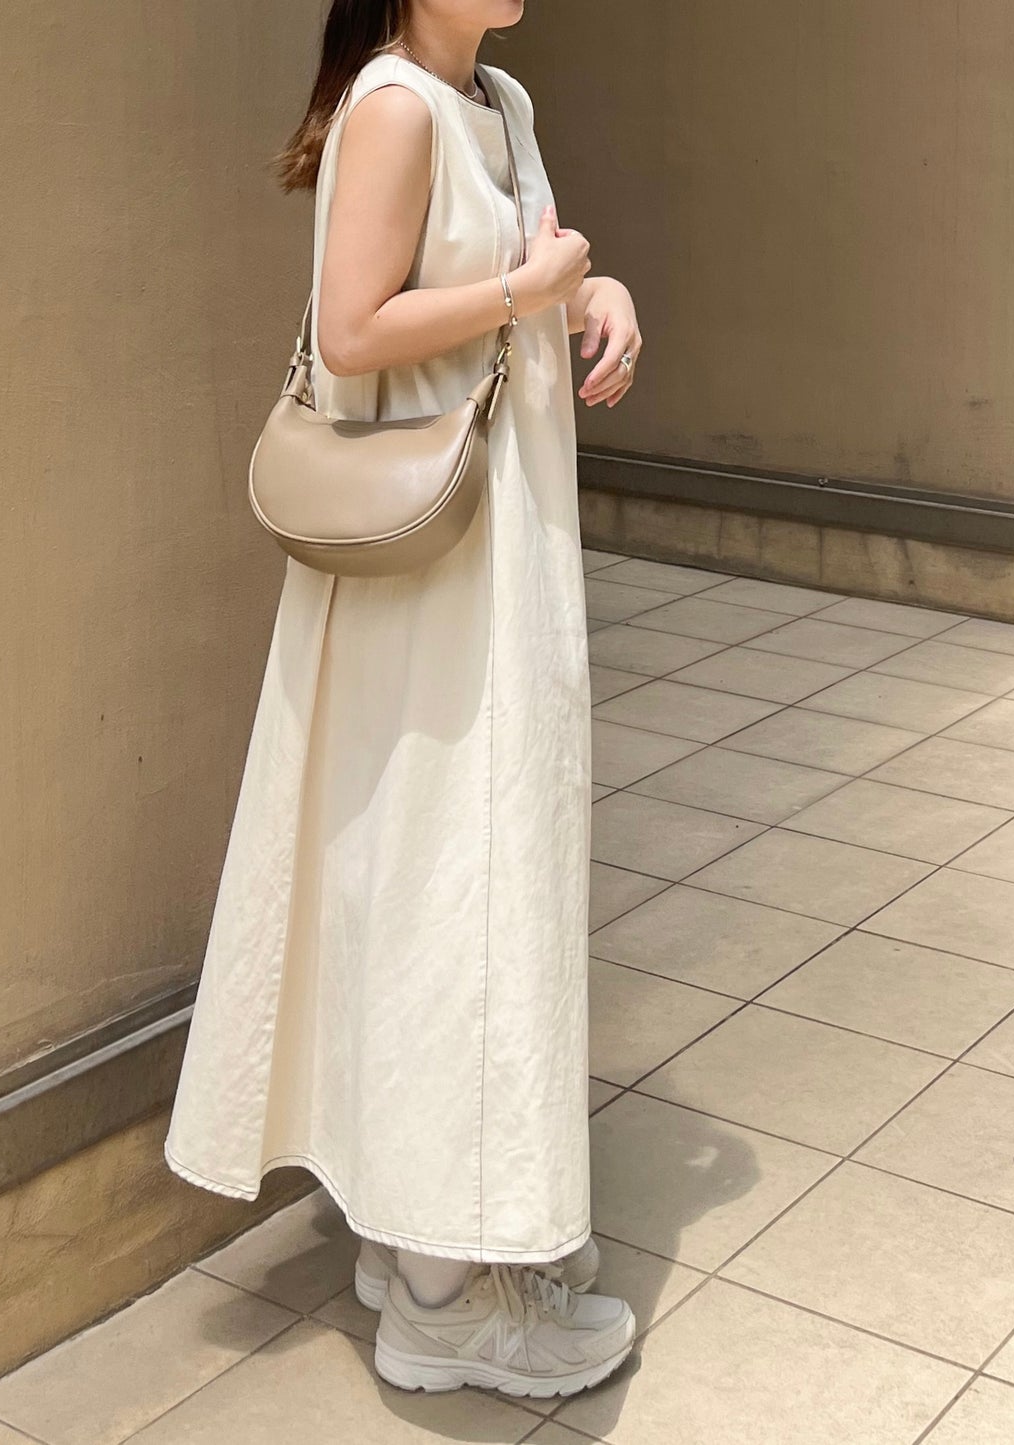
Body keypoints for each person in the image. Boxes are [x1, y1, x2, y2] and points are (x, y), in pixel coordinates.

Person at [164, 0, 645, 1399]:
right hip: (437, 581)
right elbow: (352, 327)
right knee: (449, 884)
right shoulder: (394, 105)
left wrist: (595, 292)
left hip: (495, 562)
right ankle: (441, 1303)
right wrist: (530, 285)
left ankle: (423, 1238)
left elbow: (521, 267)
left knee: (467, 878)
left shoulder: (498, 99)